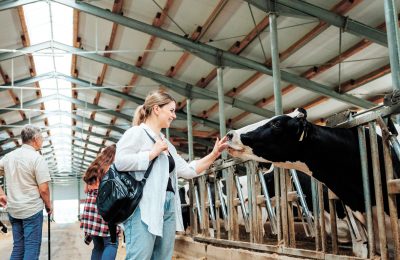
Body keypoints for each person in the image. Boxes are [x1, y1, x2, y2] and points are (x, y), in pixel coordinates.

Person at [115, 90, 228, 259]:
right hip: (143, 206)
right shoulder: (136, 133)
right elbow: (120, 162)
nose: (174, 116)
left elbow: (188, 171)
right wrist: (151, 154)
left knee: (162, 257)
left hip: (167, 206)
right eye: (171, 110)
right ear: (156, 109)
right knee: (140, 257)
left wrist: (213, 155)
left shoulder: (165, 143)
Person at [0, 124, 51, 260]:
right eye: (41, 138)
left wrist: (1, 193)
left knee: (18, 247)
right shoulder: (37, 158)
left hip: (14, 210)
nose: (42, 141)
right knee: (32, 247)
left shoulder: (8, 157)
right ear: (35, 138)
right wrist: (49, 205)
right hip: (31, 210)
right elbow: (44, 189)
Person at [80, 144, 119, 260]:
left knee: (98, 246)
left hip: (90, 208)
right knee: (111, 243)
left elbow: (86, 190)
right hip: (105, 206)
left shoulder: (93, 167)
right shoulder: (112, 168)